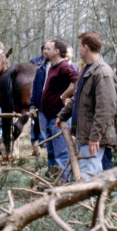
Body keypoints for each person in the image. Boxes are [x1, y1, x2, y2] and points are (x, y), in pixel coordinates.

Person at [57, 31, 117, 179]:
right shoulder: (86, 69)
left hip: (94, 138)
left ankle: (90, 203)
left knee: (89, 174)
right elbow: (77, 98)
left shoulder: (102, 73)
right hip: (86, 134)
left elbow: (106, 109)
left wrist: (95, 137)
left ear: (86, 48)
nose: (78, 49)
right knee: (89, 172)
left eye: (80, 46)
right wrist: (62, 115)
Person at [39, 40, 78, 178]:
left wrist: (65, 95)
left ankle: (65, 185)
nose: (45, 51)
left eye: (48, 48)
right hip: (49, 117)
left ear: (56, 51)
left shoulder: (64, 67)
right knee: (51, 152)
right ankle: (53, 180)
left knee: (62, 154)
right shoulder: (52, 67)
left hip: (58, 118)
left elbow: (77, 81)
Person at [29, 45, 50, 156]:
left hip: (54, 107)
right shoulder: (39, 67)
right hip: (41, 106)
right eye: (44, 49)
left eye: (48, 49)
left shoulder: (60, 67)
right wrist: (32, 104)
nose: (45, 51)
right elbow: (35, 88)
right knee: (40, 127)